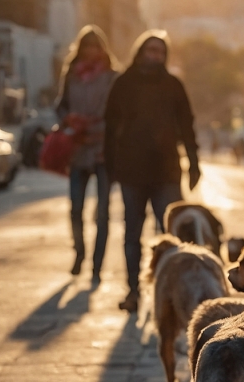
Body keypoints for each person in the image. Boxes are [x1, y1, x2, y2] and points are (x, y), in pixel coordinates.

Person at [104, 30, 200, 313]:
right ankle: (133, 292)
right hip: (132, 171)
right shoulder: (123, 83)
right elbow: (110, 127)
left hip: (167, 171)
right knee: (132, 234)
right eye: (151, 50)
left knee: (175, 235)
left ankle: (173, 294)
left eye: (160, 51)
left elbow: (187, 127)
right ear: (140, 52)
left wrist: (194, 163)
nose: (155, 56)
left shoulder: (173, 85)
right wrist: (111, 167)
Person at [55, 26, 119, 286]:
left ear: (102, 49)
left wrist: (95, 128)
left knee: (102, 212)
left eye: (96, 46)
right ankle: (79, 252)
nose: (91, 52)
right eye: (86, 47)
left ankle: (96, 265)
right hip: (77, 148)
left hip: (103, 150)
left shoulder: (113, 77)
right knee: (75, 208)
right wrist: (68, 123)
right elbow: (61, 106)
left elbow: (118, 115)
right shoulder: (72, 74)